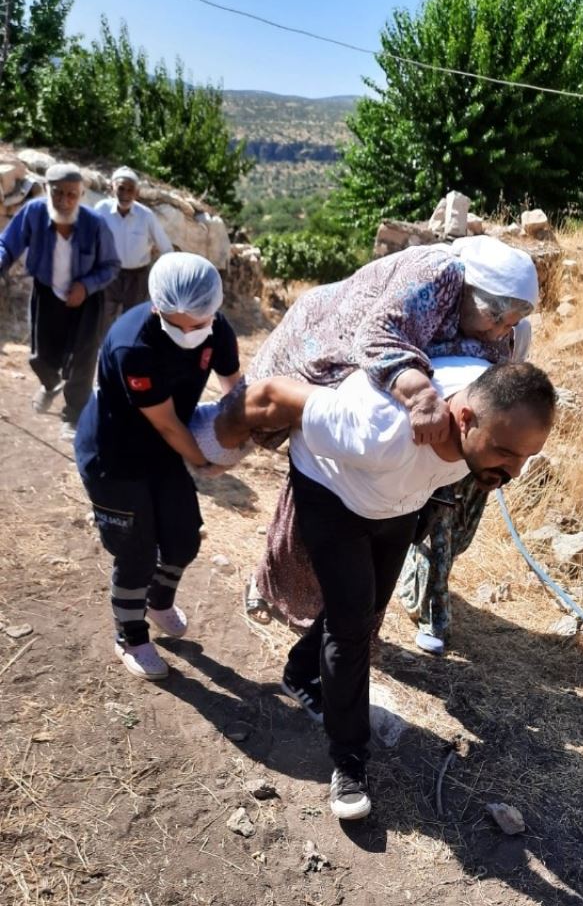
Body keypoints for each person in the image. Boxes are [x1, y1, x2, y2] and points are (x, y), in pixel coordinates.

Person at [203, 358, 556, 821]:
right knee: (351, 628)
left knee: (367, 606)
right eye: (506, 453)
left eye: (527, 457)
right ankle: (349, 762)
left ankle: (300, 673)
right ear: (465, 418)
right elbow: (271, 396)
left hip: (399, 501)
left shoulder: (482, 416)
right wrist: (207, 445)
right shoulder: (383, 432)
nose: (514, 471)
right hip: (333, 493)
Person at [245, 235, 539, 627]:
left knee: (368, 552)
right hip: (334, 376)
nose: (498, 331)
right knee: (314, 508)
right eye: (494, 317)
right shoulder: (435, 278)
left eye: (509, 324)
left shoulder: (502, 331)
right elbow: (378, 336)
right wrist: (419, 395)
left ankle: (337, 629)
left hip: (406, 459)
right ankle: (273, 591)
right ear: (469, 292)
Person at [74, 253, 241, 680]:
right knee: (137, 552)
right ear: (156, 307)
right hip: (116, 456)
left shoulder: (217, 328)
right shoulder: (135, 345)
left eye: (198, 323)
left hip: (165, 450)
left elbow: (235, 389)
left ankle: (158, 601)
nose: (189, 333)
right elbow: (166, 423)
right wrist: (205, 462)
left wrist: (242, 431)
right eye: (176, 324)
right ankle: (130, 636)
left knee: (184, 538)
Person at [398, 317, 534, 655]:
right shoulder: (461, 324)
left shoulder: (520, 330)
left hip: (483, 459)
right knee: (438, 531)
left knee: (459, 536)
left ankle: (416, 583)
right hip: (449, 442)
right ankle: (435, 618)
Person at [0, 163, 120, 440]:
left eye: (71, 194)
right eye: (58, 193)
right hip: (47, 292)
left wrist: (86, 286)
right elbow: (7, 244)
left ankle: (74, 415)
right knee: (40, 357)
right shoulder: (33, 213)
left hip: (86, 299)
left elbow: (112, 265)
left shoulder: (95, 224)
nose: (64, 201)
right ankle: (51, 383)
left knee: (82, 361)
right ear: (46, 189)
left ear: (81, 195)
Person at [95, 166, 173, 332]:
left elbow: (166, 248)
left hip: (137, 278)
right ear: (112, 188)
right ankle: (104, 348)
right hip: (109, 275)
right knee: (103, 319)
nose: (125, 194)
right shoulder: (101, 210)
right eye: (121, 188)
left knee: (133, 321)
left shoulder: (146, 216)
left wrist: (164, 278)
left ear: (136, 193)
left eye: (130, 189)